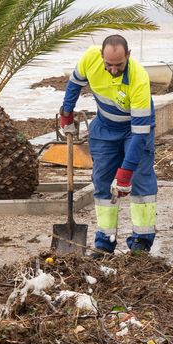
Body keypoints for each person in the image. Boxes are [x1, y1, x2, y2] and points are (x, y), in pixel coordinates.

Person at [60, 35, 156, 254]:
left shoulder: (139, 78)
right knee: (102, 180)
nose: (113, 70)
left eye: (119, 65)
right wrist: (66, 113)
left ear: (128, 56)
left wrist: (125, 172)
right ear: (101, 56)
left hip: (135, 128)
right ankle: (104, 242)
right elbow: (74, 84)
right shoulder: (90, 58)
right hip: (105, 127)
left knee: (140, 179)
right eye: (109, 65)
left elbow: (140, 134)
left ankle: (141, 241)